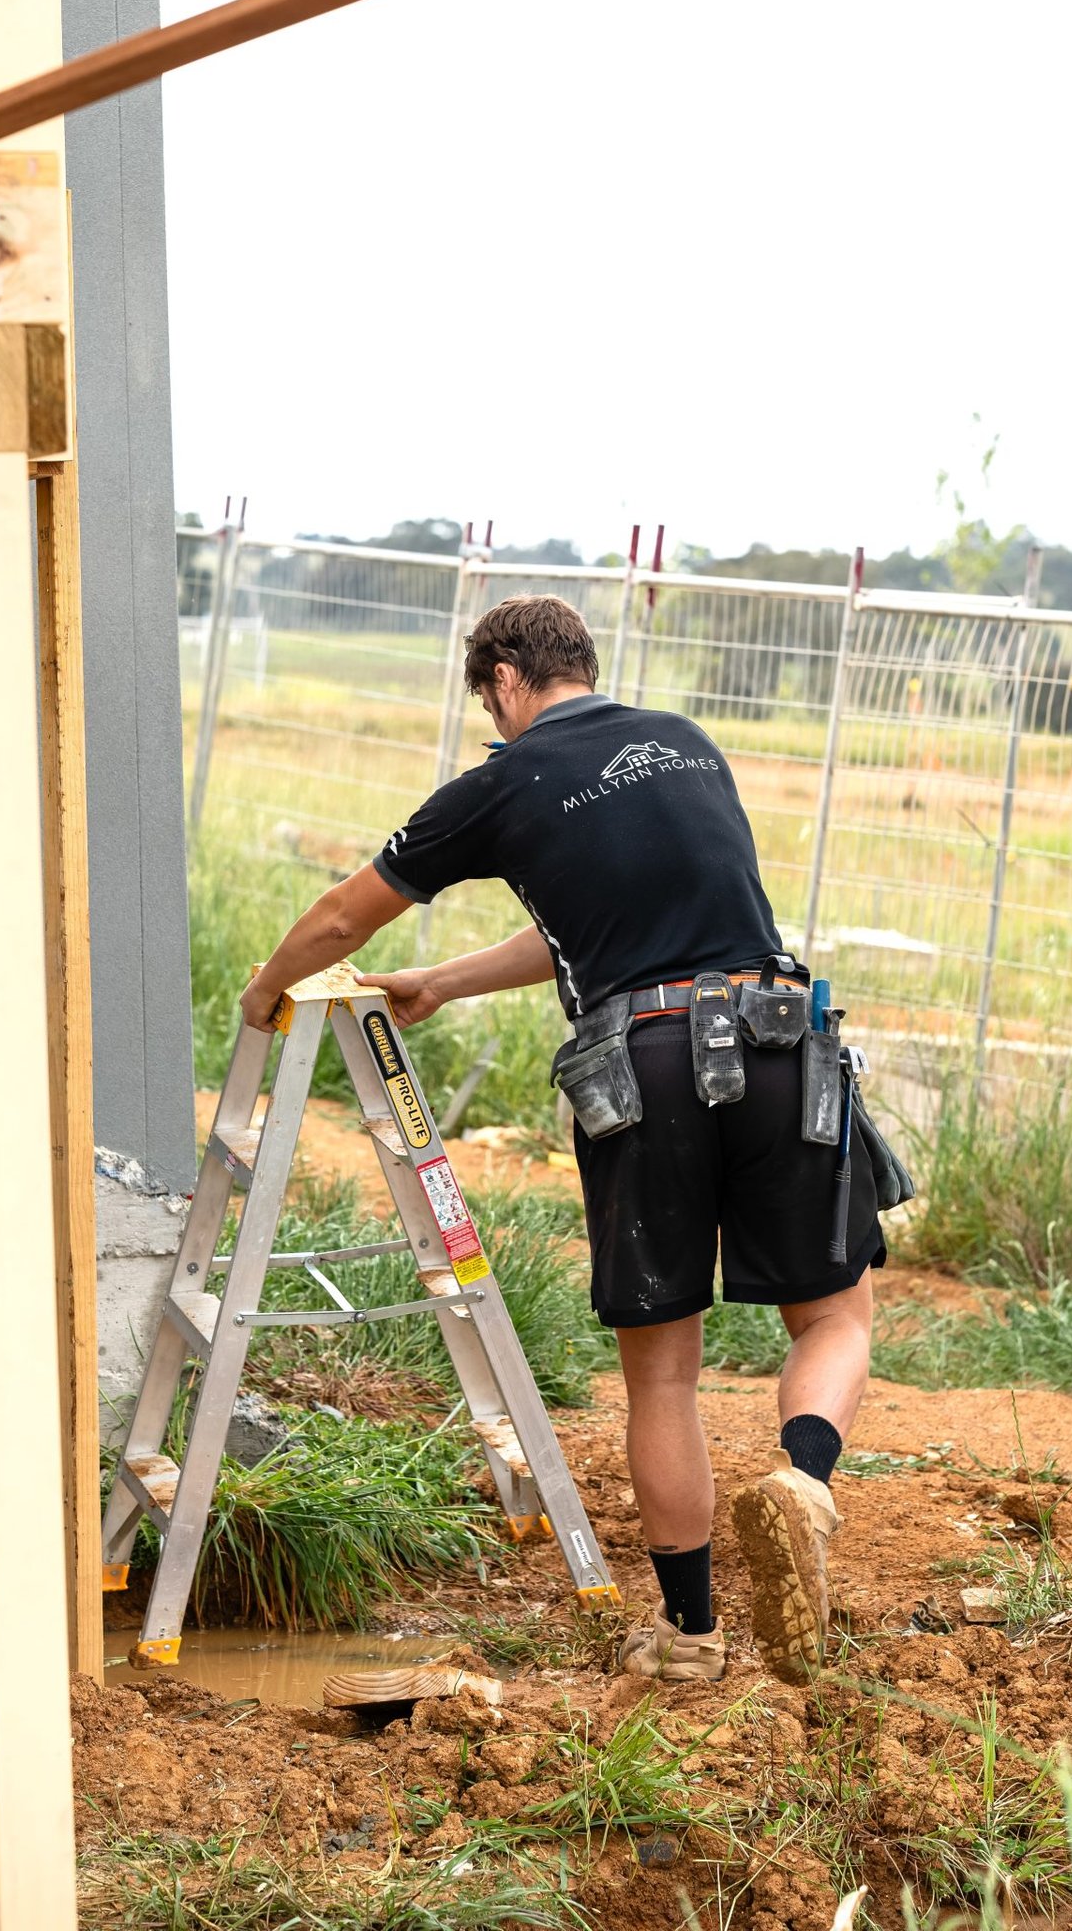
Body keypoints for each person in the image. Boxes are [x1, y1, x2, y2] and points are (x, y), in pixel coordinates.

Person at [239, 594, 886, 1683]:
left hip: (647, 1067)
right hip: (778, 1043)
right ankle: (803, 1481)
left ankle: (690, 1638)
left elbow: (347, 915)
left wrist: (265, 989)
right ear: (583, 662)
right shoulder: (685, 744)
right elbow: (600, 927)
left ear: (503, 680)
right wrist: (445, 981)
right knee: (832, 1315)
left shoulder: (502, 784)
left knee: (664, 1376)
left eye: (488, 701)